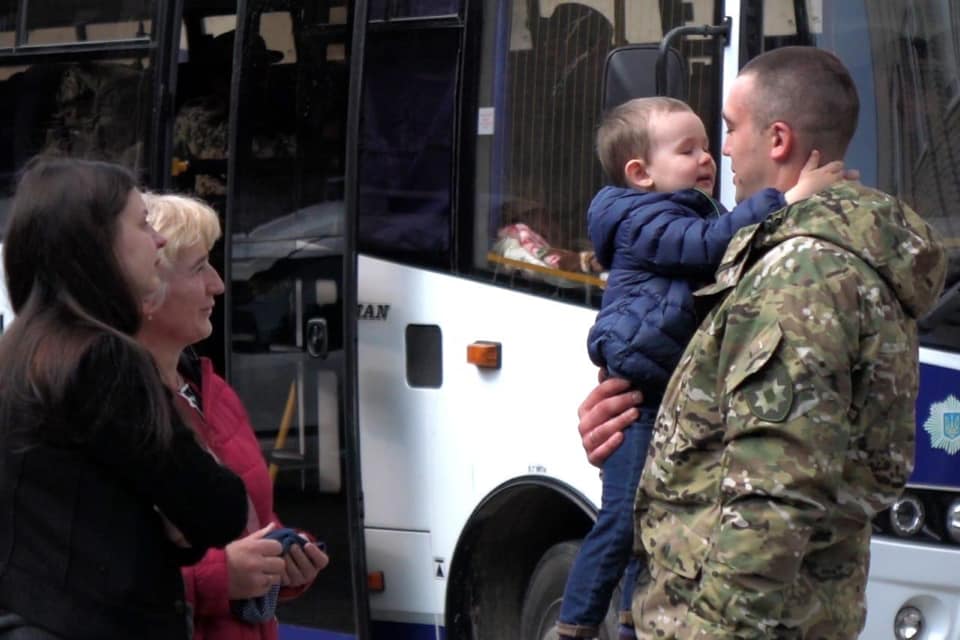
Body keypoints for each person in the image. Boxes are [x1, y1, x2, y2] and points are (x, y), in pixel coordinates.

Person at [581, 47, 947, 638]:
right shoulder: (784, 253)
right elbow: (729, 431)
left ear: (777, 139)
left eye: (727, 130)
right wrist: (636, 419)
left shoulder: (800, 274)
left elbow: (770, 503)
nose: (720, 150)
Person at [556, 97, 841, 640]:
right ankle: (573, 626)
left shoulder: (677, 210)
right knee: (622, 518)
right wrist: (788, 199)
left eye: (712, 142)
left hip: (667, 390)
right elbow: (710, 246)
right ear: (640, 173)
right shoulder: (647, 219)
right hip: (641, 397)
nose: (712, 156)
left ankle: (629, 620)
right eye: (689, 149)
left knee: (652, 514)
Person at [0, 156, 248, 639]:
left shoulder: (20, 350)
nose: (157, 240)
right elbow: (217, 511)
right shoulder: (103, 359)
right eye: (140, 224)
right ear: (97, 244)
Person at [138, 192, 329, 640]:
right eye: (199, 267)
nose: (218, 284)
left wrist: (285, 560)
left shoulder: (211, 390)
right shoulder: (111, 407)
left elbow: (255, 521)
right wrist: (224, 577)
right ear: (148, 289)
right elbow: (92, 572)